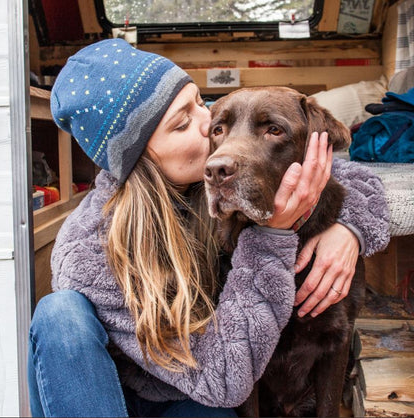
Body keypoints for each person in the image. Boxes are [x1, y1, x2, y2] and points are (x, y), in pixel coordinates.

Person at [28, 39, 390, 418]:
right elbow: (221, 379)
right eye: (183, 123)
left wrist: (348, 229)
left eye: (201, 104)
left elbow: (351, 177)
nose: (209, 127)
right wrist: (273, 235)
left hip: (196, 397)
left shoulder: (210, 173)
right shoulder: (90, 251)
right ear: (139, 159)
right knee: (59, 313)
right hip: (136, 395)